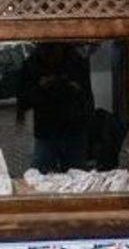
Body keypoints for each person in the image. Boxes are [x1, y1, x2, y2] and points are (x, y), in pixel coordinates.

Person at [17, 42, 96, 172]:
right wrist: (42, 88)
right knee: (42, 172)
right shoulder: (32, 64)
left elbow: (86, 97)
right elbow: (24, 99)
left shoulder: (75, 61)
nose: (50, 53)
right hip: (48, 130)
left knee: (74, 173)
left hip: (72, 129)